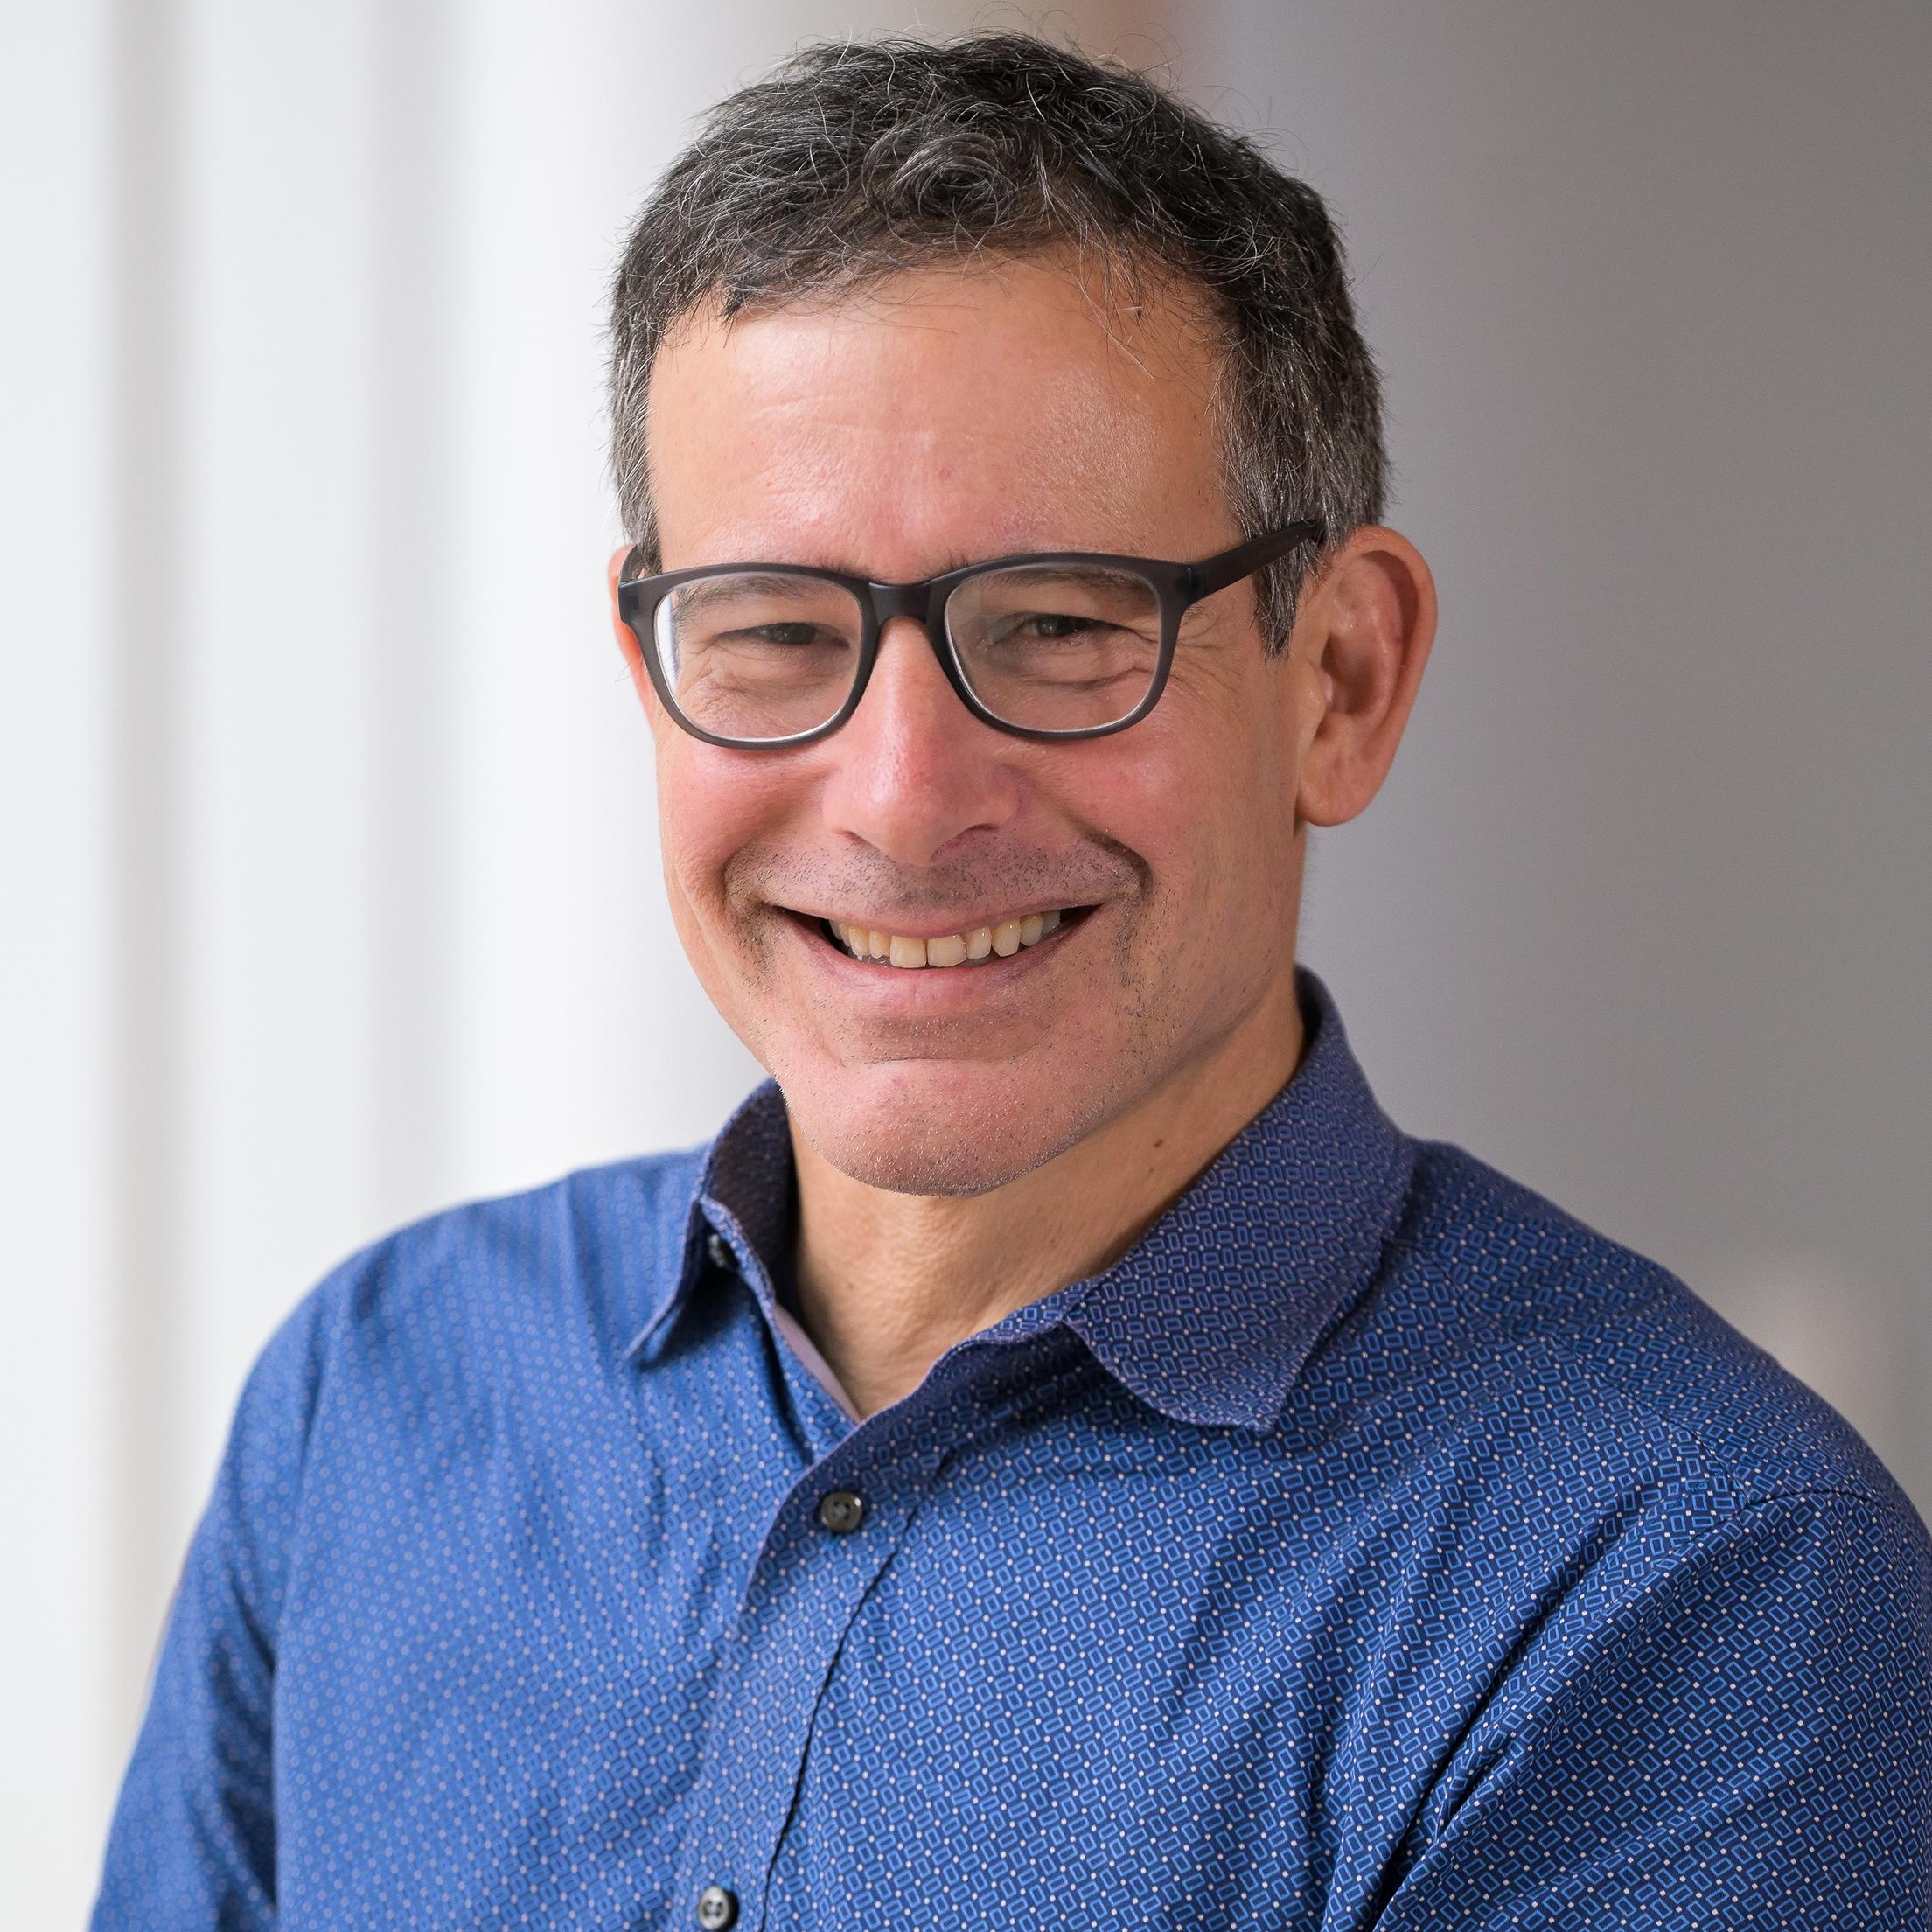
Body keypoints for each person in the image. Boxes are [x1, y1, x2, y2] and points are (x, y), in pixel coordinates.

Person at [94, 31, 1929, 1931]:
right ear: (650, 673)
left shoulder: (1688, 1586)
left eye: (1058, 626)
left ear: (1343, 681)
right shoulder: (379, 1399)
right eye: (777, 631)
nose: (900, 800)